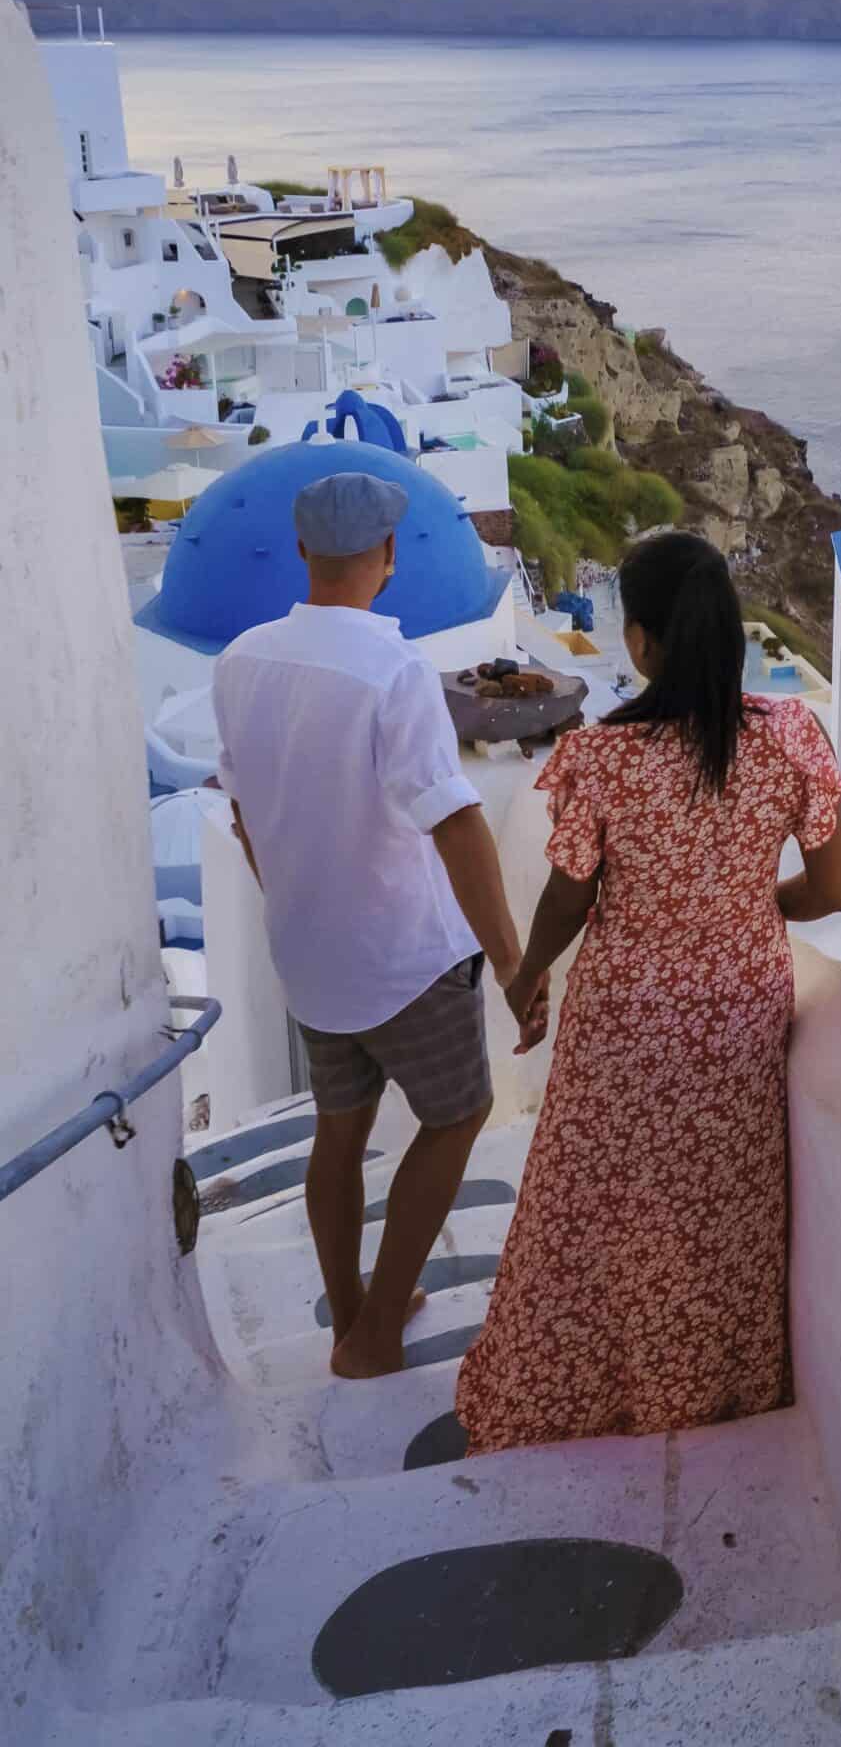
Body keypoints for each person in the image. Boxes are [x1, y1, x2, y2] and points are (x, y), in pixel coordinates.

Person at [455, 530, 841, 1452]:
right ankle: (714, 1390)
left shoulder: (602, 758)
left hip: (625, 1020)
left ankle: (583, 1393)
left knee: (598, 1209)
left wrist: (525, 975)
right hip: (739, 1017)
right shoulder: (792, 736)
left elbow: (569, 895)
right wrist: (750, 906)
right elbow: (832, 893)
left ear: (637, 640)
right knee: (719, 1214)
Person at [213, 469, 530, 1380]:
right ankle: (379, 1332)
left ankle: (351, 1308)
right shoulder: (392, 672)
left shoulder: (242, 661)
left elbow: (241, 811)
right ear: (387, 556)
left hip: (308, 955)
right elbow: (458, 820)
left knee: (340, 1132)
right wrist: (509, 960)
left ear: (305, 551)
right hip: (403, 960)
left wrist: (292, 898)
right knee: (459, 1114)